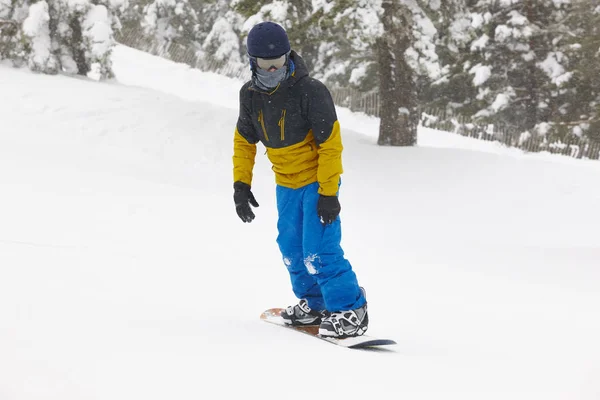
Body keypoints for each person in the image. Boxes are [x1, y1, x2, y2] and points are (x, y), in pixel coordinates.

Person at [232, 21, 368, 338]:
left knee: (319, 250)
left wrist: (329, 192)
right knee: (292, 249)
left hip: (316, 181)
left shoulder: (311, 91)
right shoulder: (249, 94)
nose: (272, 70)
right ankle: (316, 304)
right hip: (286, 183)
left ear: (287, 56)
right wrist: (241, 184)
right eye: (264, 65)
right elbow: (244, 141)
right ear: (252, 62)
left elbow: (331, 145)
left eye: (278, 63)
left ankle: (351, 309)